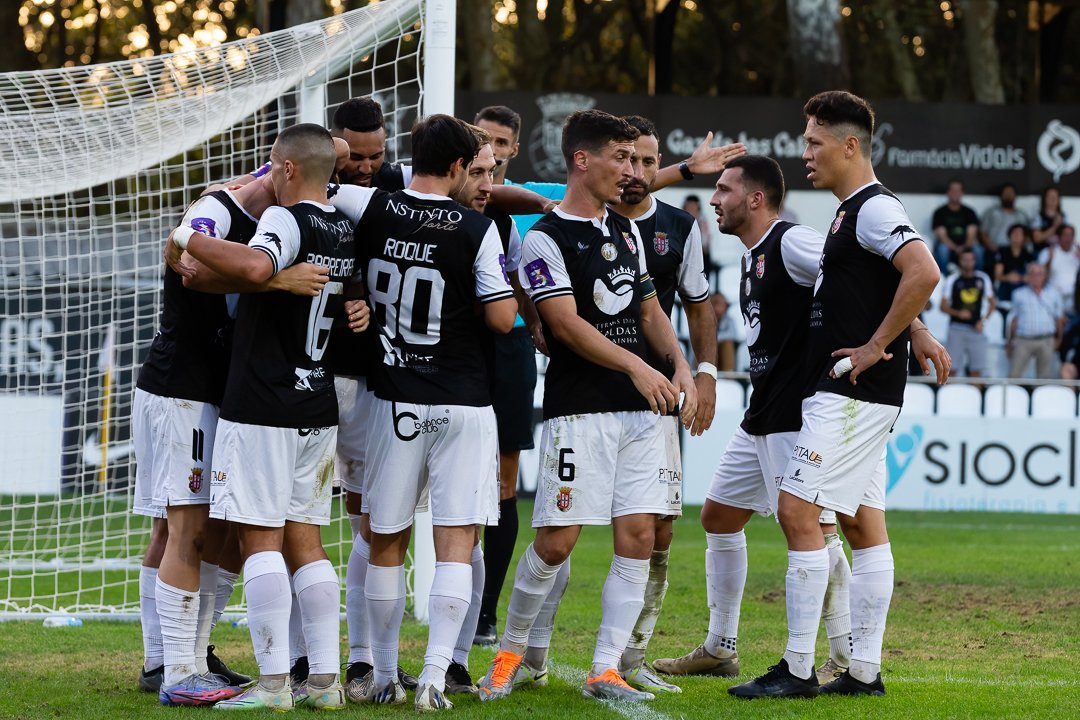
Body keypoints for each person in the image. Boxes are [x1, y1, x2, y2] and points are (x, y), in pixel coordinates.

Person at [475, 110, 697, 704]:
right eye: (621, 159)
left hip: (646, 410)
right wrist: (639, 367)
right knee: (558, 539)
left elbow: (651, 311)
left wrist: (680, 365)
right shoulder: (546, 236)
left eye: (635, 160)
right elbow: (565, 324)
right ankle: (510, 654)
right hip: (582, 409)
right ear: (583, 160)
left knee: (640, 533)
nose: (631, 170)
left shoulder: (625, 231)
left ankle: (606, 668)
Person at [730, 91, 944, 699]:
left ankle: (798, 670)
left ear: (850, 146)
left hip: (852, 390)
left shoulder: (873, 209)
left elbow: (923, 271)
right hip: (858, 392)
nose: (806, 155)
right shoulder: (850, 214)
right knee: (859, 523)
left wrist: (879, 345)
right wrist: (913, 333)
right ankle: (863, 671)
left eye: (815, 143)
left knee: (800, 513)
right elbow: (887, 284)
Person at [654, 154, 869, 687]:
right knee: (719, 516)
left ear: (754, 199)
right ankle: (721, 647)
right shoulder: (752, 257)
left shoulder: (790, 241)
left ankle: (842, 654)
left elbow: (854, 274)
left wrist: (908, 333)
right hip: (761, 415)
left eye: (724, 190)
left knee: (816, 533)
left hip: (798, 414)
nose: (714, 199)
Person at [167, 123, 361, 711]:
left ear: (288, 168)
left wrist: (187, 232)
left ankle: (274, 686)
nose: (270, 179)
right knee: (308, 541)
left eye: (273, 168)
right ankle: (326, 684)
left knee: (260, 541)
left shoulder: (286, 218)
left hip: (262, 404)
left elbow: (253, 269)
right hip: (316, 401)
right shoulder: (343, 228)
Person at [332, 115, 517, 712]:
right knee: (457, 541)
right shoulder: (477, 228)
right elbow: (501, 319)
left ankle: (382, 673)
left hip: (393, 400)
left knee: (385, 539)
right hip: (463, 404)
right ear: (462, 167)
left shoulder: (370, 205)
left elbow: (310, 180)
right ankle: (435, 676)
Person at [136, 178, 330, 704]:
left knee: (217, 530)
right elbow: (188, 265)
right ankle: (173, 668)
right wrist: (275, 281)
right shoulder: (218, 209)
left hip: (224, 393)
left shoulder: (287, 218)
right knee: (186, 528)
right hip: (183, 388)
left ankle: (185, 658)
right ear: (285, 171)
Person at [941, 247, 997, 378]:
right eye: (965, 259)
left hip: (975, 328)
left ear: (975, 261)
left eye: (970, 259)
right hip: (956, 328)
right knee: (951, 369)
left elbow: (992, 303)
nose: (968, 262)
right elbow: (943, 306)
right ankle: (948, 397)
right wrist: (958, 313)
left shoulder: (983, 279)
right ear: (960, 261)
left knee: (977, 371)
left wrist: (983, 321)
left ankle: (974, 397)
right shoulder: (952, 280)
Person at [1008, 263, 1066, 379]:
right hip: (1023, 339)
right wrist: (1010, 340)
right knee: (1014, 375)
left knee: (1044, 377)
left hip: (1046, 339)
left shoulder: (1054, 294)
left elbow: (1059, 319)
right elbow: (1014, 319)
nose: (1036, 277)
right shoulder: (1019, 294)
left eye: (1039, 274)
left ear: (1045, 276)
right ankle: (1013, 397)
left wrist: (1059, 338)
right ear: (1028, 276)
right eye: (1033, 274)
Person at [930, 179, 981, 273]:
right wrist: (955, 248)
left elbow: (972, 234)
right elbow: (942, 236)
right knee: (942, 250)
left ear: (962, 193)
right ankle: (943, 279)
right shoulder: (940, 212)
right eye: (953, 190)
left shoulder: (969, 212)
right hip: (948, 246)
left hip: (966, 245)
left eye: (958, 190)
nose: (955, 193)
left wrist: (964, 247)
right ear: (948, 192)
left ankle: (977, 277)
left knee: (978, 250)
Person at [1039, 224, 1078, 325]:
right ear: (1059, 237)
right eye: (1065, 235)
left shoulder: (1078, 252)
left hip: (1075, 299)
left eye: (1070, 235)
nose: (1068, 238)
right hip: (1054, 298)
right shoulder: (1048, 252)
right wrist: (1050, 259)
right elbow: (1039, 277)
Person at [993, 223, 1035, 310]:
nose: (1016, 236)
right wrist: (1007, 277)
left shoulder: (1028, 254)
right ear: (1009, 236)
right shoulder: (1002, 251)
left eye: (1019, 234)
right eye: (1014, 233)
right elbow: (997, 275)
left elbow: (1032, 274)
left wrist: (1021, 277)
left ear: (1024, 237)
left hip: (1022, 285)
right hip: (1006, 285)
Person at [980, 183, 1032, 254]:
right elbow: (983, 232)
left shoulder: (1021, 215)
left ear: (1015, 196)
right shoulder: (991, 213)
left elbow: (1028, 235)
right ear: (1001, 196)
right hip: (996, 249)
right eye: (1006, 193)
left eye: (1011, 193)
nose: (1008, 195)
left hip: (1015, 251)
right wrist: (989, 245)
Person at [1031, 185, 1066, 252]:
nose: (1053, 199)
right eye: (1050, 197)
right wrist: (1055, 226)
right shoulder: (1038, 216)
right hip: (1041, 253)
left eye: (1055, 197)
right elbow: (1037, 238)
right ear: (1044, 199)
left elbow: (1066, 238)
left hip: (1059, 254)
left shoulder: (1064, 217)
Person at [712, 292, 737, 371]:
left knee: (727, 345)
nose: (717, 308)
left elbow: (732, 336)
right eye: (715, 303)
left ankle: (728, 377)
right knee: (706, 344)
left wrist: (715, 340)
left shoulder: (730, 321)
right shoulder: (701, 322)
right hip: (701, 362)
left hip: (722, 362)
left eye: (721, 304)